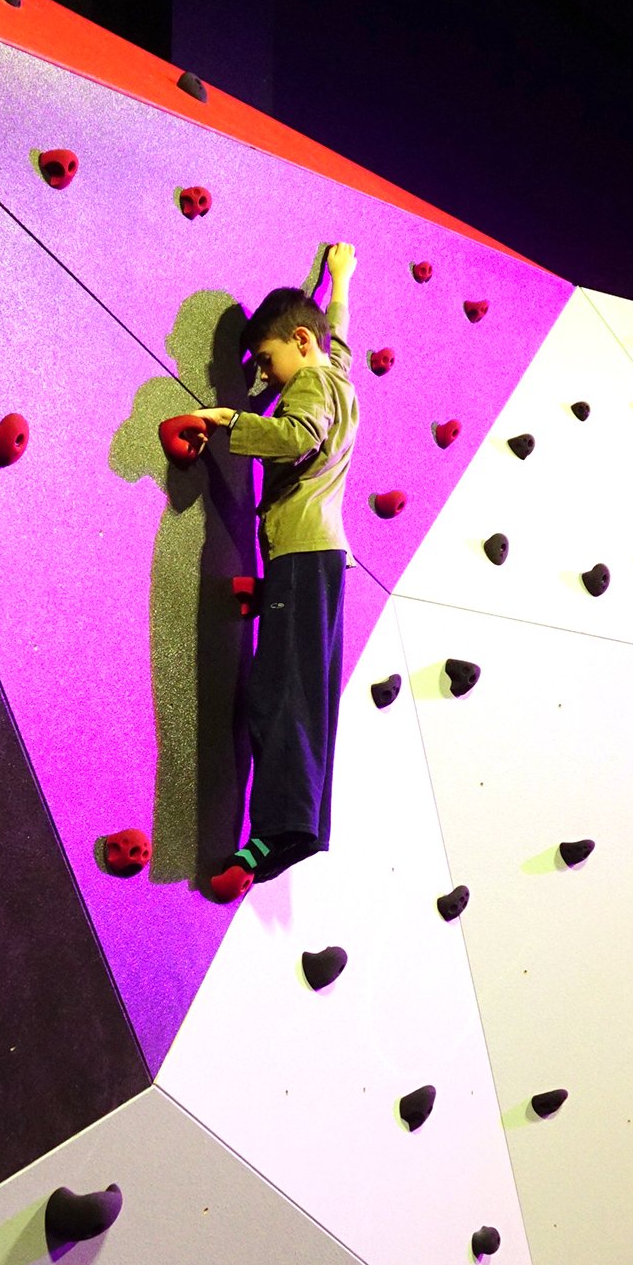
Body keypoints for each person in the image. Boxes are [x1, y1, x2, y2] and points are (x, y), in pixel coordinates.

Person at [196, 241, 359, 901]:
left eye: (266, 362)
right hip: (319, 558)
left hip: (302, 557)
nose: (265, 377)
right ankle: (300, 823)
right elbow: (334, 334)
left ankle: (281, 831)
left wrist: (230, 420)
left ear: (298, 342)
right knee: (300, 693)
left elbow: (297, 437)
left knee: (282, 697)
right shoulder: (336, 371)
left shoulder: (313, 383)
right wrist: (337, 280)